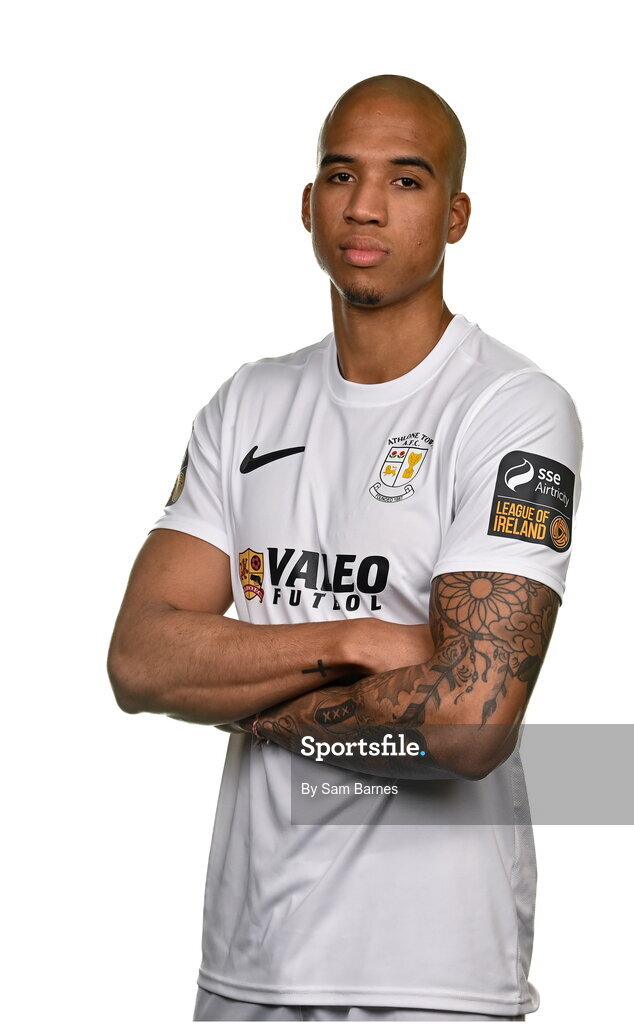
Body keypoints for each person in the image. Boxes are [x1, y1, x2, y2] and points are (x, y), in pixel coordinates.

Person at [107, 74, 582, 1022]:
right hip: (246, 963)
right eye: (340, 174)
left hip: (429, 975)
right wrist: (354, 638)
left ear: (455, 217)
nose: (364, 206)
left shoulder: (509, 408)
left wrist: (235, 696)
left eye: (405, 181)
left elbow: (468, 723)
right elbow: (137, 660)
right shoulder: (247, 402)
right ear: (306, 203)